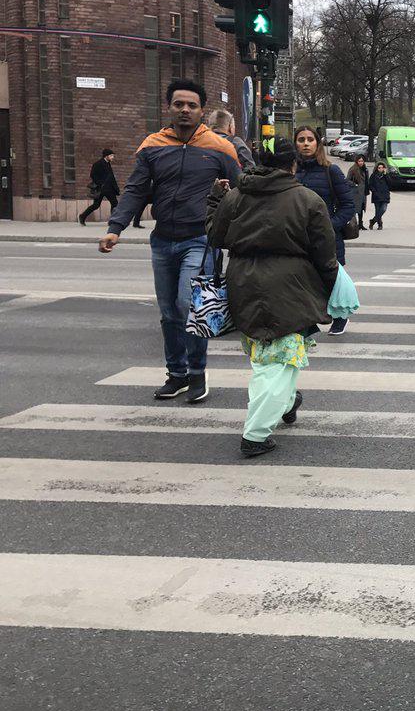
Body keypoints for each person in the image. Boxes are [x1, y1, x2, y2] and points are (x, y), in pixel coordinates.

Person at [99, 78, 241, 403]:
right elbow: (135, 189)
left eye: (192, 105)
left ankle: (197, 373)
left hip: (200, 239)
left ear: (202, 110)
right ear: (169, 107)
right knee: (167, 311)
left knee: (187, 304)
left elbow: (242, 190)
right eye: (179, 104)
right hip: (162, 241)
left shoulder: (220, 148)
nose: (185, 110)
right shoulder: (152, 145)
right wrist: (115, 227)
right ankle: (176, 374)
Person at [206, 138, 340, 458]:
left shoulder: (235, 196)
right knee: (279, 359)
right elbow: (325, 255)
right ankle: (255, 434)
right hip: (290, 285)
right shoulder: (307, 200)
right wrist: (331, 291)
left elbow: (215, 235)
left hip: (243, 281)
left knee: (270, 355)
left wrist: (214, 201)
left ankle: (287, 401)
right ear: (292, 164)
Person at [293, 125, 355, 335]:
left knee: (330, 279)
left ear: (318, 143)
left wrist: (330, 226)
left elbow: (348, 205)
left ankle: (340, 316)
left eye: (310, 139)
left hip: (327, 238)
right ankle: (308, 319)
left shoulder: (331, 170)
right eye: (301, 139)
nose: (306, 143)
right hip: (298, 237)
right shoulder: (291, 172)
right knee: (302, 280)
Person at [78, 149, 120, 225]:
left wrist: (115, 187)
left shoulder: (108, 163)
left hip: (109, 188)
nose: (113, 157)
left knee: (114, 203)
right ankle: (82, 216)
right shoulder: (98, 164)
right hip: (101, 189)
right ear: (106, 156)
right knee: (96, 205)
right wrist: (100, 183)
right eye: (111, 155)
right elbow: (93, 175)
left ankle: (112, 221)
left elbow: (111, 177)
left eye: (113, 155)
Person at [347, 155, 370, 230]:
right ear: (356, 161)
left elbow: (367, 180)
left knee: (361, 209)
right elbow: (347, 180)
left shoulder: (365, 169)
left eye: (362, 161)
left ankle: (360, 224)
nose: (361, 162)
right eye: (359, 161)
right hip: (355, 192)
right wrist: (354, 184)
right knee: (355, 209)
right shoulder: (353, 169)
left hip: (363, 192)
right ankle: (353, 224)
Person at [368, 161, 391, 229]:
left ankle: (372, 221)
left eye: (382, 167)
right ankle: (380, 224)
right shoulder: (373, 175)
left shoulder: (386, 175)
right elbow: (370, 185)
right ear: (376, 168)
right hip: (376, 196)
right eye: (379, 168)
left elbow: (390, 183)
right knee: (377, 211)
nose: (381, 169)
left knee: (383, 209)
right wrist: (374, 191)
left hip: (385, 195)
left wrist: (385, 174)